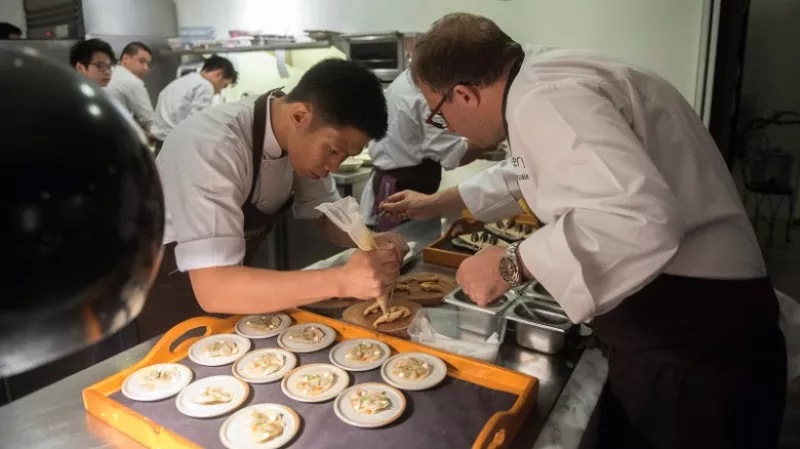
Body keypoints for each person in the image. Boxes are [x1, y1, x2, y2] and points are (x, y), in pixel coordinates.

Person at [385, 13, 786, 449]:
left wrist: (509, 265)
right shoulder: (532, 82)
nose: (448, 128)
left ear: (464, 94)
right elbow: (523, 172)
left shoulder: (546, 100)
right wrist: (440, 201)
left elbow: (638, 219)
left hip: (695, 341)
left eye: (440, 116)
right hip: (679, 328)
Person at [140, 58, 407, 341]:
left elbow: (324, 213)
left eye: (344, 156)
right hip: (169, 292)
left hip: (236, 290)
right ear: (300, 116)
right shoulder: (211, 147)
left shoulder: (297, 140)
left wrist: (367, 239)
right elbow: (215, 288)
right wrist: (342, 280)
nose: (335, 166)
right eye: (332, 151)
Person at [358, 69, 493, 231]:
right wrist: (490, 140)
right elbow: (454, 154)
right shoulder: (427, 96)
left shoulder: (406, 80)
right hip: (399, 191)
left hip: (403, 186)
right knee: (400, 249)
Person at [151, 55, 238, 151]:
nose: (219, 92)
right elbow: (195, 124)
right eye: (224, 86)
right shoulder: (205, 86)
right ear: (219, 74)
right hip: (176, 146)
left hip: (160, 143)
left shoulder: (181, 81)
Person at [106, 42, 155, 134]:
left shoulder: (109, 72)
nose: (146, 68)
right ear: (125, 59)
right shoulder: (132, 82)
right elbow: (149, 121)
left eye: (147, 64)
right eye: (141, 61)